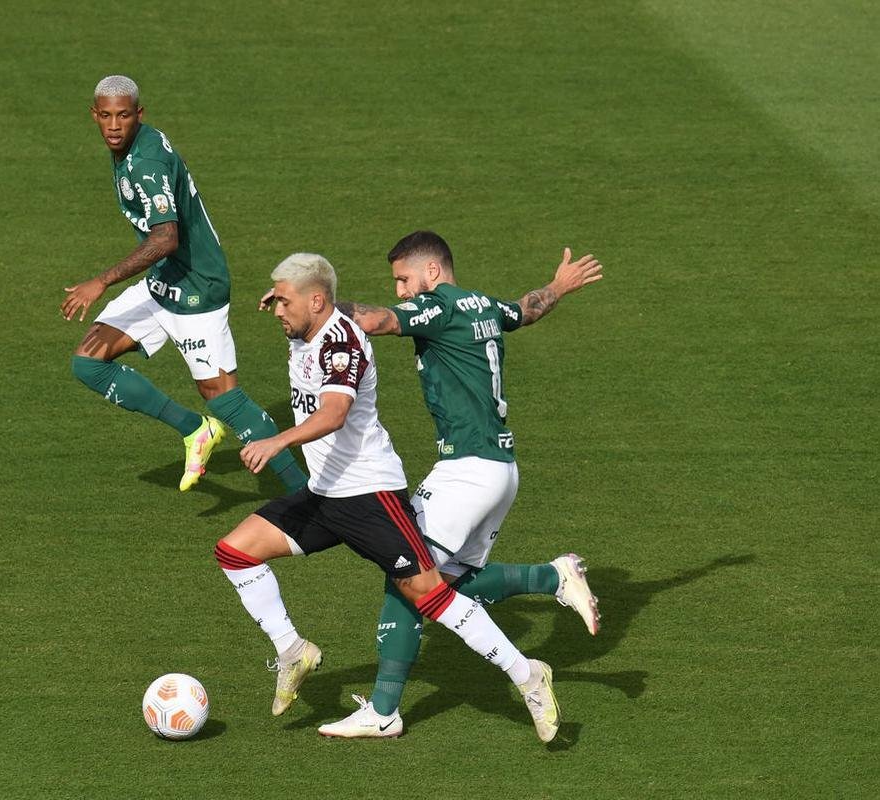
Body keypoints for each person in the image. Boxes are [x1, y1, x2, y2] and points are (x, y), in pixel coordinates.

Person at [213, 252, 562, 743]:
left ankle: (527, 674)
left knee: (428, 593)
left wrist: (278, 440)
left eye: (284, 301)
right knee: (236, 551)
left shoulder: (341, 343)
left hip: (368, 494)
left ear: (316, 301)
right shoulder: (308, 328)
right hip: (326, 492)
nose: (275, 310)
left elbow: (334, 413)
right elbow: (328, 305)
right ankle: (293, 649)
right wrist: (289, 294)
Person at [309, 230, 602, 738]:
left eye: (404, 278)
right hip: (500, 471)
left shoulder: (439, 306)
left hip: (465, 471)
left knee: (405, 576)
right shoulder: (481, 304)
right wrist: (558, 285)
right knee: (444, 583)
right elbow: (525, 310)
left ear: (432, 272)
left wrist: (318, 304)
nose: (401, 289)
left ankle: (384, 712)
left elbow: (377, 320)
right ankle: (553, 578)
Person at [60, 75, 306, 493]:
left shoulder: (148, 162)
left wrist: (100, 281)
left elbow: (165, 237)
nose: (114, 126)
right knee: (88, 362)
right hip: (162, 282)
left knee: (224, 398)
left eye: (123, 115)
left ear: (140, 114)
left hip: (196, 288)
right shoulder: (134, 148)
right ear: (94, 115)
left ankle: (308, 495)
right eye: (105, 116)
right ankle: (196, 430)